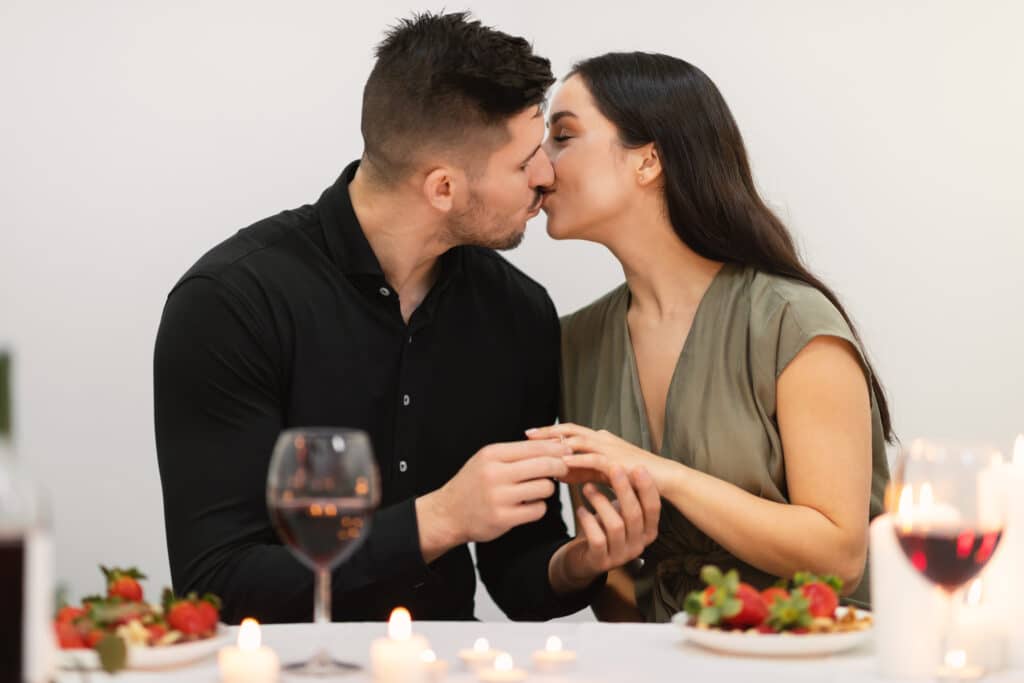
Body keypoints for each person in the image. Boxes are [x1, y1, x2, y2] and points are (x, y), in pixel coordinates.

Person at [153, 14, 660, 624]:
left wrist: (578, 561)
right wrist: (440, 518)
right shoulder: (231, 304)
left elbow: (516, 573)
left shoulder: (518, 313)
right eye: (525, 160)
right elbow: (218, 586)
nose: (546, 175)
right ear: (442, 188)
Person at [527, 52, 892, 622]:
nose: (540, 167)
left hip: (808, 657)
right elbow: (619, 582)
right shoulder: (577, 342)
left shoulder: (790, 323)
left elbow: (839, 555)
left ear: (648, 160)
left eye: (563, 136)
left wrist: (661, 474)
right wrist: (597, 561)